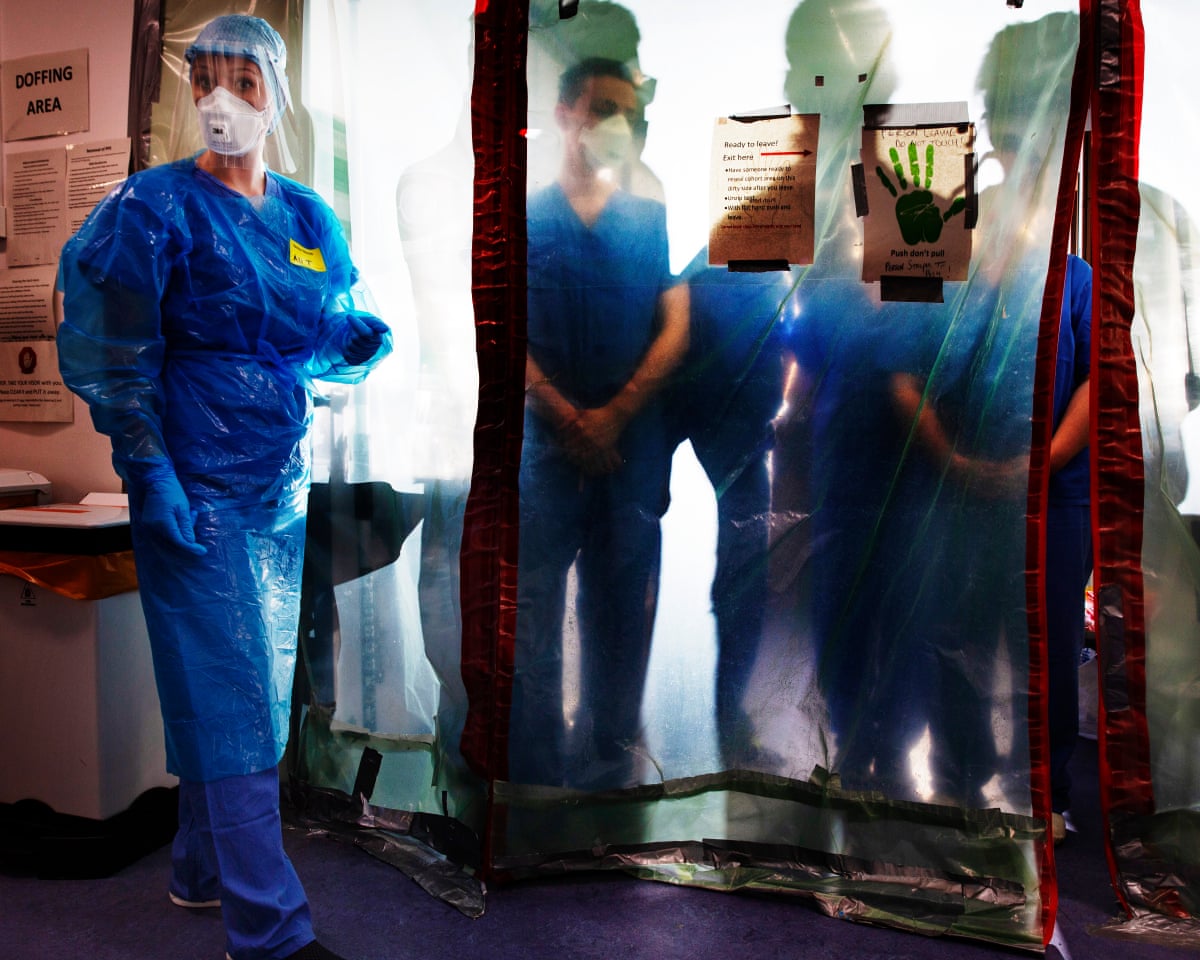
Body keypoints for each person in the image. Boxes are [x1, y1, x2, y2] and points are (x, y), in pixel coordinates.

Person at [56, 15, 391, 960]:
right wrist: (149, 470)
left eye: (243, 79)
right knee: (234, 689)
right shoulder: (151, 209)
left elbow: (311, 325)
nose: (219, 98)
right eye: (203, 77)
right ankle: (271, 933)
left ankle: (200, 869)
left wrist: (346, 339)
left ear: (276, 96)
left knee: (245, 680)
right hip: (192, 483)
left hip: (277, 485)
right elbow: (115, 352)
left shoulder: (307, 218)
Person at [510, 56, 688, 791]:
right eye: (602, 107)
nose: (616, 125)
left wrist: (616, 413)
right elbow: (501, 327)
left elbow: (676, 320)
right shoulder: (523, 219)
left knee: (621, 609)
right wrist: (565, 413)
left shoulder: (648, 218)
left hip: (629, 447)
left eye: (628, 114)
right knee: (534, 614)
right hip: (546, 448)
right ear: (563, 114)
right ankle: (537, 774)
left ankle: (610, 766)